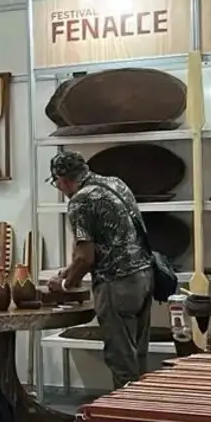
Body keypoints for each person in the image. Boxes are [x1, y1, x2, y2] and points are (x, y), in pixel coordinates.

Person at [46, 150, 153, 387]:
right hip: (144, 277)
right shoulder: (115, 183)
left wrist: (64, 284)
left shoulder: (80, 200)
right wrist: (70, 269)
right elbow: (112, 238)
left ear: (62, 180)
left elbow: (85, 257)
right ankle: (144, 406)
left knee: (122, 361)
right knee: (139, 356)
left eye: (56, 183)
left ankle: (124, 410)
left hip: (117, 284)